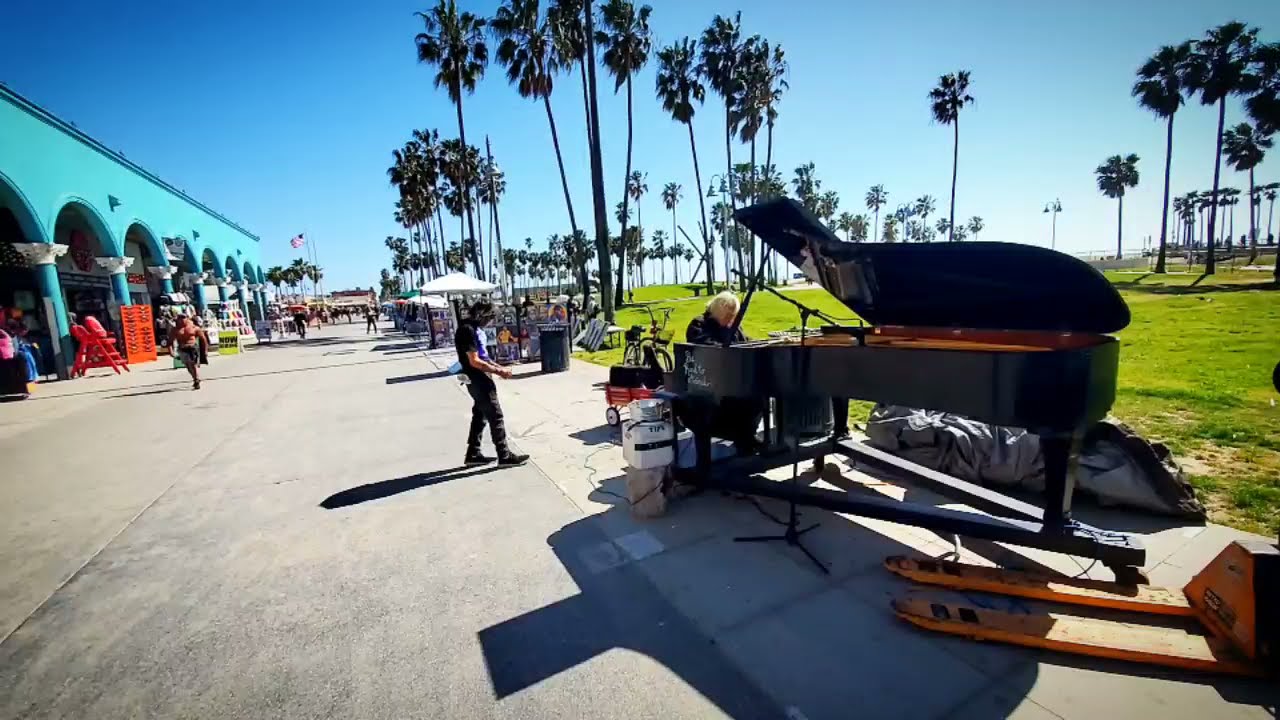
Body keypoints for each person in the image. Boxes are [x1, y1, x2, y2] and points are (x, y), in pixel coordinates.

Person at [683, 291, 763, 453]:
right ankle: (741, 436)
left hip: (733, 381)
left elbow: (745, 341)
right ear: (720, 311)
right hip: (707, 385)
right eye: (729, 315)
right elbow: (705, 347)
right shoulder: (698, 325)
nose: (731, 320)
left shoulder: (733, 326)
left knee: (758, 394)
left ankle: (746, 436)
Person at [455, 300, 528, 467]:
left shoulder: (473, 328)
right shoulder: (468, 330)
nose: (491, 321)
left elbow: (483, 357)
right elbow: (474, 361)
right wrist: (499, 371)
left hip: (477, 376)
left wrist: (498, 367)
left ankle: (473, 453)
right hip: (478, 378)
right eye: (490, 317)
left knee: (480, 415)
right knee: (495, 415)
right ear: (481, 315)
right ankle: (504, 455)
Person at [168, 314, 207, 389]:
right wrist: (171, 351)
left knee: (193, 364)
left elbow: (203, 339)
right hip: (182, 349)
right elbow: (170, 341)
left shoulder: (194, 327)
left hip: (192, 347)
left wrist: (205, 350)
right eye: (180, 318)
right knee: (188, 365)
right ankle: (195, 378)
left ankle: (196, 379)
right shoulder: (175, 329)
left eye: (184, 318)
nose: (182, 320)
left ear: (187, 318)